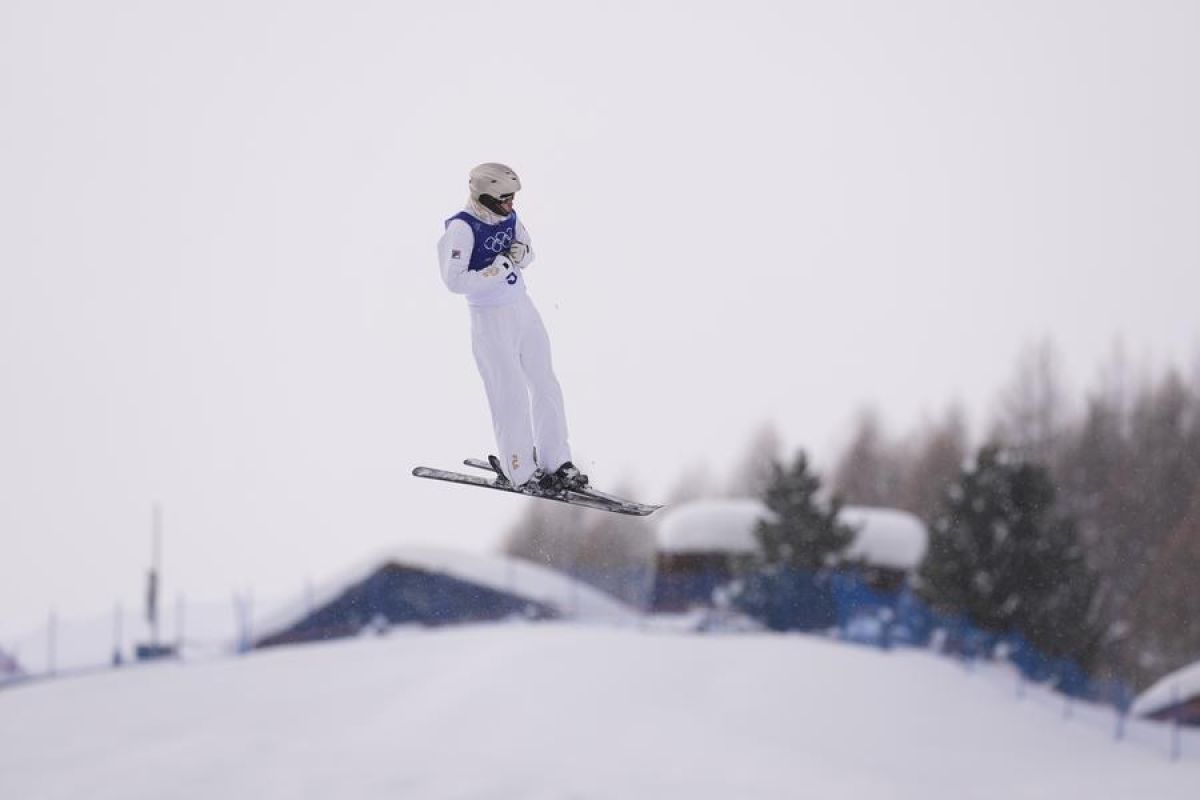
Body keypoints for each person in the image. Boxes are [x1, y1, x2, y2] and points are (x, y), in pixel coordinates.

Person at [436, 163, 587, 493]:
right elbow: (453, 280)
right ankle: (519, 469)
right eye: (504, 198)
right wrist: (496, 269)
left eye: (513, 197)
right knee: (510, 394)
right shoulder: (462, 228)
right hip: (490, 319)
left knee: (545, 383)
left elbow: (528, 252)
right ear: (485, 197)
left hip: (523, 308)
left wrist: (524, 253)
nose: (511, 204)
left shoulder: (510, 218)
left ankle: (557, 462)